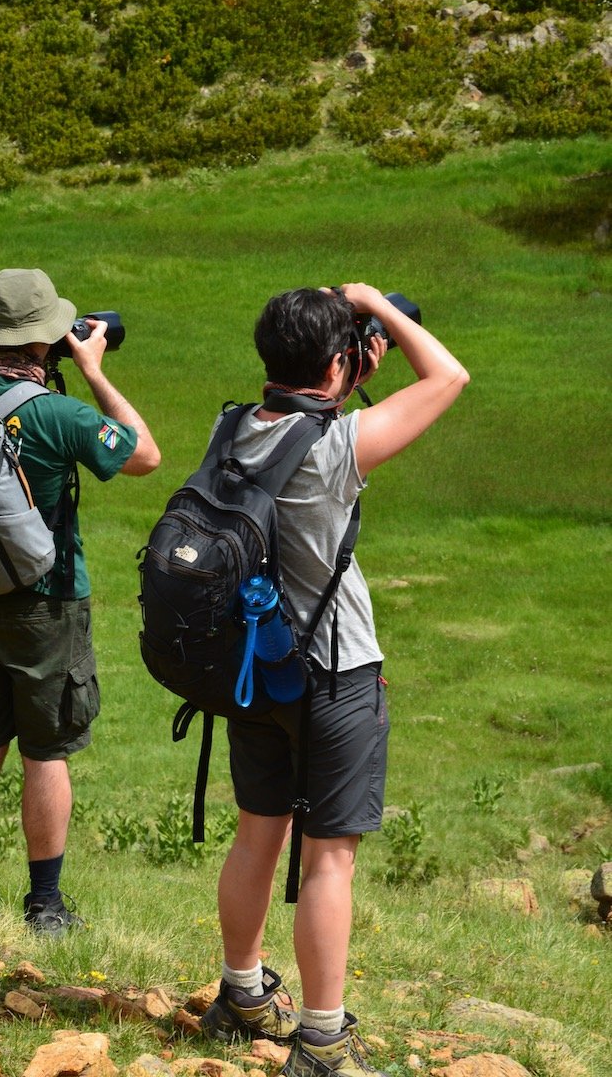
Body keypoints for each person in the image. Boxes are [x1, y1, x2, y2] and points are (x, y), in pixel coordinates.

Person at [200, 284, 469, 1076]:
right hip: (336, 672)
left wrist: (339, 359)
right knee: (329, 859)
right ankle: (321, 1040)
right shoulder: (335, 446)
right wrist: (370, 310)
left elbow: (300, 408)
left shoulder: (233, 428)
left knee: (258, 831)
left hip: (254, 666)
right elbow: (449, 379)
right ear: (339, 361)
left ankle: (241, 993)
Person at [0, 268, 160, 932]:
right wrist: (92, 370)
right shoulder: (56, 415)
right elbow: (145, 454)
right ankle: (46, 905)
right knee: (46, 752)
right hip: (46, 602)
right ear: (46, 340)